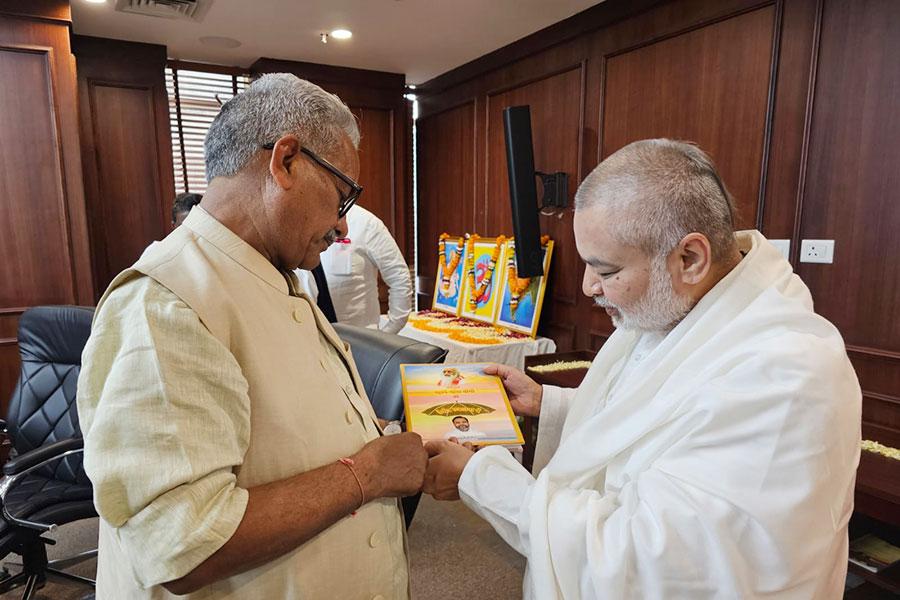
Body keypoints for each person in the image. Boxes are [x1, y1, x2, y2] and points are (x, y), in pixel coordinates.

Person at [422, 139, 861, 598]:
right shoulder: (681, 305)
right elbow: (651, 416)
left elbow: (646, 560)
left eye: (606, 270)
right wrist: (550, 404)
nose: (590, 286)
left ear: (689, 258)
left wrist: (480, 478)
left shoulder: (786, 378)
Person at [77, 73, 427, 599]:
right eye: (342, 194)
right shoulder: (167, 304)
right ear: (284, 162)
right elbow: (181, 543)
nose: (340, 221)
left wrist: (359, 428)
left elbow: (270, 419)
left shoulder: (272, 273)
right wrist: (369, 472)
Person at [298, 204, 412, 334]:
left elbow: (399, 278)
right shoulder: (302, 223)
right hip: (311, 340)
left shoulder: (367, 224)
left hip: (360, 343)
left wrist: (388, 333)